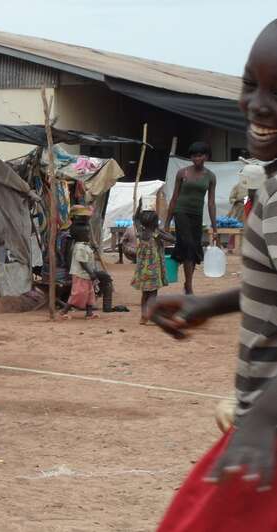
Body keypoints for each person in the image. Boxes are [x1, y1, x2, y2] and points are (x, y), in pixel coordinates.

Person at [149, 19, 277, 530]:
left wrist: (263, 420)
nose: (260, 104)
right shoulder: (268, 182)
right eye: (252, 84)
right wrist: (212, 304)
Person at [165, 140, 217, 295]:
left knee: (193, 249)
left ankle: (188, 283)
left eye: (199, 155)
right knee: (188, 245)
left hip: (197, 215)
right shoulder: (183, 173)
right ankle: (189, 287)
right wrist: (167, 222)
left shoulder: (210, 176)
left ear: (206, 157)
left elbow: (211, 202)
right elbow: (174, 198)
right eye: (193, 156)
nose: (196, 159)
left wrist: (215, 228)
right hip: (181, 212)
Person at [130, 201, 172, 325]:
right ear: (155, 223)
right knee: (153, 295)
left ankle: (143, 315)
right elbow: (172, 239)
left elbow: (135, 219)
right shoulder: (156, 234)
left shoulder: (141, 233)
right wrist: (161, 231)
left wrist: (139, 207)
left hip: (143, 271)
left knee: (144, 294)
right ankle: (152, 314)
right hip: (153, 271)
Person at [59, 224, 99, 319]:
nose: (89, 236)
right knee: (77, 293)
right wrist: (91, 273)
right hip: (80, 275)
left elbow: (88, 256)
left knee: (90, 293)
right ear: (81, 236)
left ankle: (89, 313)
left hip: (86, 275)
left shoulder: (84, 246)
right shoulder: (79, 247)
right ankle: (64, 311)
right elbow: (82, 262)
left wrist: (93, 249)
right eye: (87, 234)